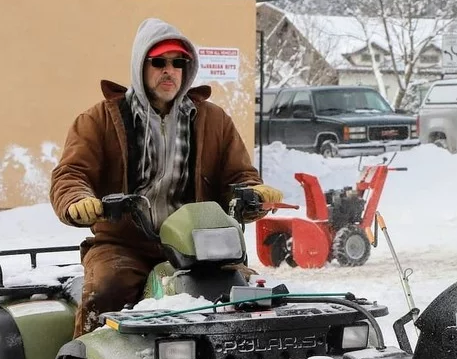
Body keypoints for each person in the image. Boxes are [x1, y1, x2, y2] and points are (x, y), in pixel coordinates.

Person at [50, 17, 283, 336]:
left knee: (243, 299)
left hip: (199, 244)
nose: (169, 70)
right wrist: (79, 201)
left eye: (178, 62)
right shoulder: (99, 119)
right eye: (158, 61)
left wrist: (253, 194)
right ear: (139, 65)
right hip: (124, 243)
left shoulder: (213, 120)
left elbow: (238, 176)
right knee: (107, 289)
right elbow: (71, 173)